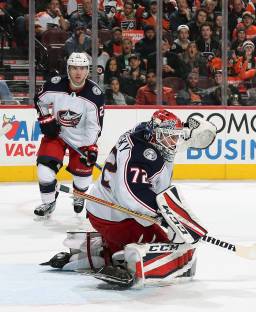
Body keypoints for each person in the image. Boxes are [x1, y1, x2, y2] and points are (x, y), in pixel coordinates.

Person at [41, 110, 216, 287]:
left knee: (167, 240)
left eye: (175, 136)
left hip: (107, 211)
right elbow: (131, 195)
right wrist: (164, 215)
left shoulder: (144, 132)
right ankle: (126, 264)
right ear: (155, 134)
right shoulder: (142, 155)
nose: (173, 142)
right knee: (174, 249)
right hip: (117, 217)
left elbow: (170, 136)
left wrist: (189, 133)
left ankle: (101, 251)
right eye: (169, 137)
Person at [33, 52, 105, 218]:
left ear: (88, 70)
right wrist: (46, 118)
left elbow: (94, 126)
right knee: (44, 172)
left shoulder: (95, 94)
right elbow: (39, 100)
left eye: (82, 68)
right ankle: (49, 201)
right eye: (74, 68)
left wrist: (90, 147)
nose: (78, 72)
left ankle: (79, 195)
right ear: (68, 69)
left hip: (82, 141)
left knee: (82, 179)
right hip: (57, 136)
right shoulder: (55, 85)